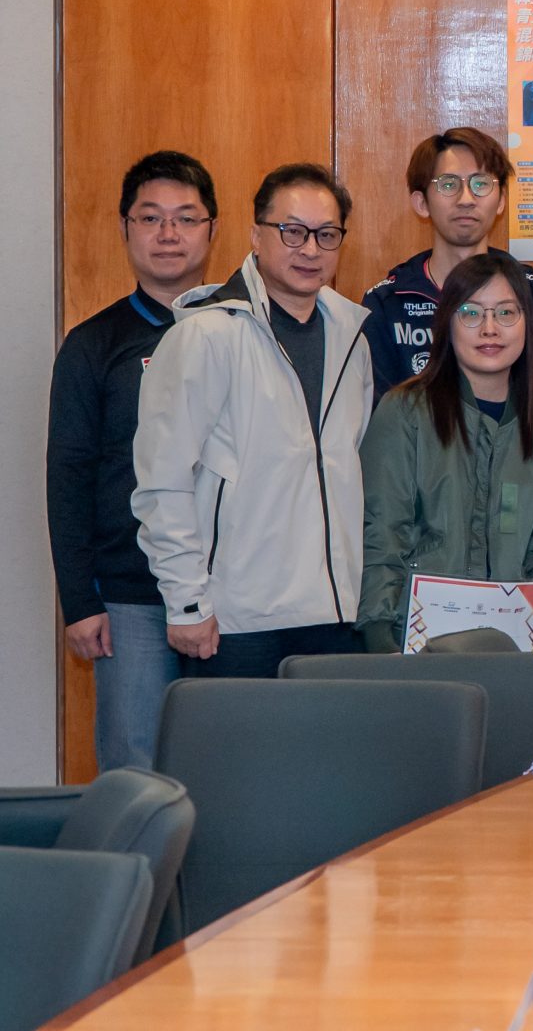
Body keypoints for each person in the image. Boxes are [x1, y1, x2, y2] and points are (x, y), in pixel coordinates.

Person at [131, 163, 371, 676]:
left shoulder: (352, 337)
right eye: (292, 231)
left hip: (334, 614)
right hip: (236, 619)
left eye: (327, 235)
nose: (310, 249)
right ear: (256, 236)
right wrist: (187, 603)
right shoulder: (207, 336)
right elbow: (163, 482)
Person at [49, 152, 218, 769]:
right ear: (125, 228)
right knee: (136, 771)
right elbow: (67, 475)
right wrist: (79, 599)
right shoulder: (93, 344)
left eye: (186, 218)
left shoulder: (241, 332)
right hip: (128, 597)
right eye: (151, 218)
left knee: (227, 772)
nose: (169, 234)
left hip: (231, 591)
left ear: (212, 230)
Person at [358, 251, 533, 656]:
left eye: (506, 313)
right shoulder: (404, 411)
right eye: (471, 313)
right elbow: (383, 531)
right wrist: (378, 628)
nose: (490, 328)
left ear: (527, 323)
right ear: (447, 323)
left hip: (519, 645)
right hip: (412, 640)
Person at [363, 127, 533, 410]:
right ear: (421, 203)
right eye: (448, 184)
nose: (466, 199)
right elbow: (383, 416)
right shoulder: (386, 302)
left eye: (481, 183)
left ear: (501, 200)